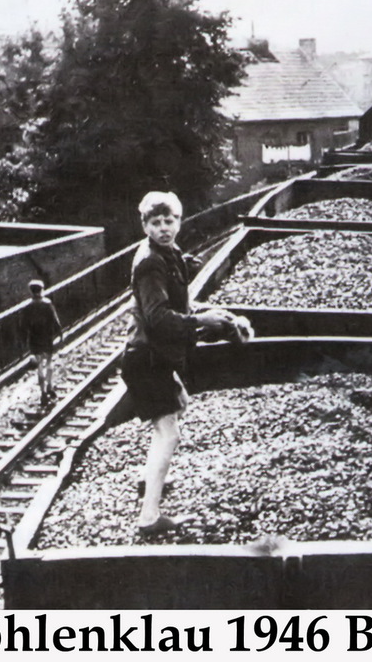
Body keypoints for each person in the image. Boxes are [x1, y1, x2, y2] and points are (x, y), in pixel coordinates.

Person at [122, 191, 245, 536]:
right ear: (145, 226)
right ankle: (149, 517)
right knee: (169, 433)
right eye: (156, 222)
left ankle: (150, 476)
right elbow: (159, 318)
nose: (164, 228)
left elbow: (179, 307)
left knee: (178, 406)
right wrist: (201, 322)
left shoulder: (170, 253)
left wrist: (213, 315)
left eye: (169, 221)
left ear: (179, 221)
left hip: (154, 356)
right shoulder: (151, 262)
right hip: (146, 358)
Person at [21, 279, 63, 406]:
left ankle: (43, 392)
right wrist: (60, 334)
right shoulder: (47, 303)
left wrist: (24, 341)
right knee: (49, 362)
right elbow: (55, 321)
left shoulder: (27, 307)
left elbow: (23, 326)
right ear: (42, 290)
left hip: (35, 339)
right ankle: (50, 386)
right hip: (47, 337)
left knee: (39, 366)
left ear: (31, 291)